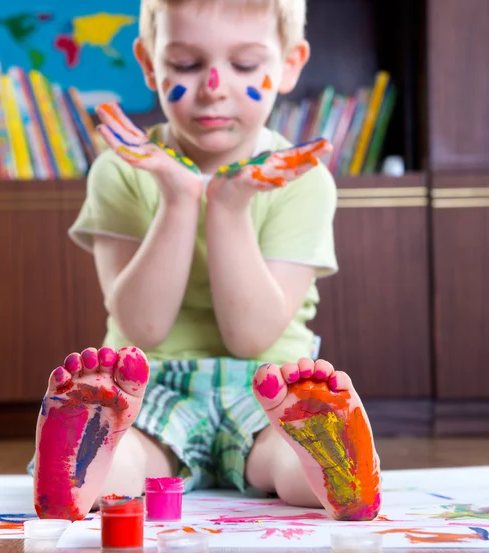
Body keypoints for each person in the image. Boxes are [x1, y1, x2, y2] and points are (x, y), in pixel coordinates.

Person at [30, 0, 381, 523]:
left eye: (243, 65)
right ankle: (80, 462)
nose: (214, 85)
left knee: (287, 463)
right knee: (127, 464)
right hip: (144, 383)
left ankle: (336, 464)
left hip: (272, 389)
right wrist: (177, 197)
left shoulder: (303, 180)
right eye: (188, 65)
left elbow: (251, 335)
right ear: (149, 63)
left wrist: (228, 204)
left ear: (288, 64)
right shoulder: (120, 172)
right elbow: (142, 327)